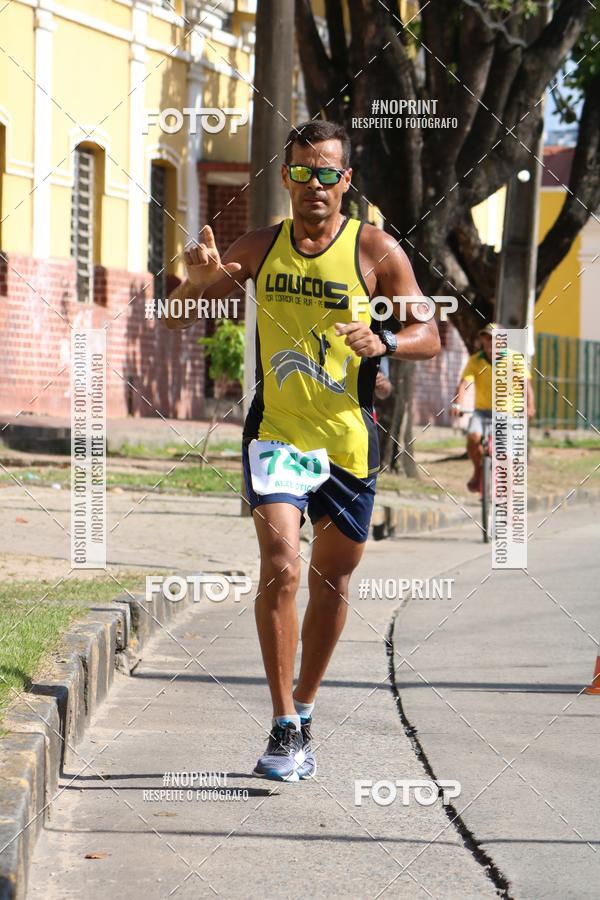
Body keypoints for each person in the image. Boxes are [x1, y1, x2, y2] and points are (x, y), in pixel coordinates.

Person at [165, 120, 440, 781]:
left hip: (349, 439)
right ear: (285, 177)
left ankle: (308, 702)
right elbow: (186, 300)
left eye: (327, 173)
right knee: (282, 564)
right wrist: (192, 276)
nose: (313, 185)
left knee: (332, 579)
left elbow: (428, 330)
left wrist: (388, 345)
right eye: (301, 172)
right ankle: (284, 724)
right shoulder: (261, 245)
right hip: (278, 431)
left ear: (345, 181)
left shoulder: (375, 251)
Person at [450, 322, 535, 492]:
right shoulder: (475, 360)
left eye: (494, 339)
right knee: (473, 438)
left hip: (507, 413)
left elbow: (526, 385)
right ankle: (478, 472)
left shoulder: (515, 359)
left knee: (507, 456)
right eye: (486, 339)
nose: (490, 343)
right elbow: (464, 384)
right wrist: (457, 403)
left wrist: (530, 406)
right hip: (482, 412)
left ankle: (508, 493)